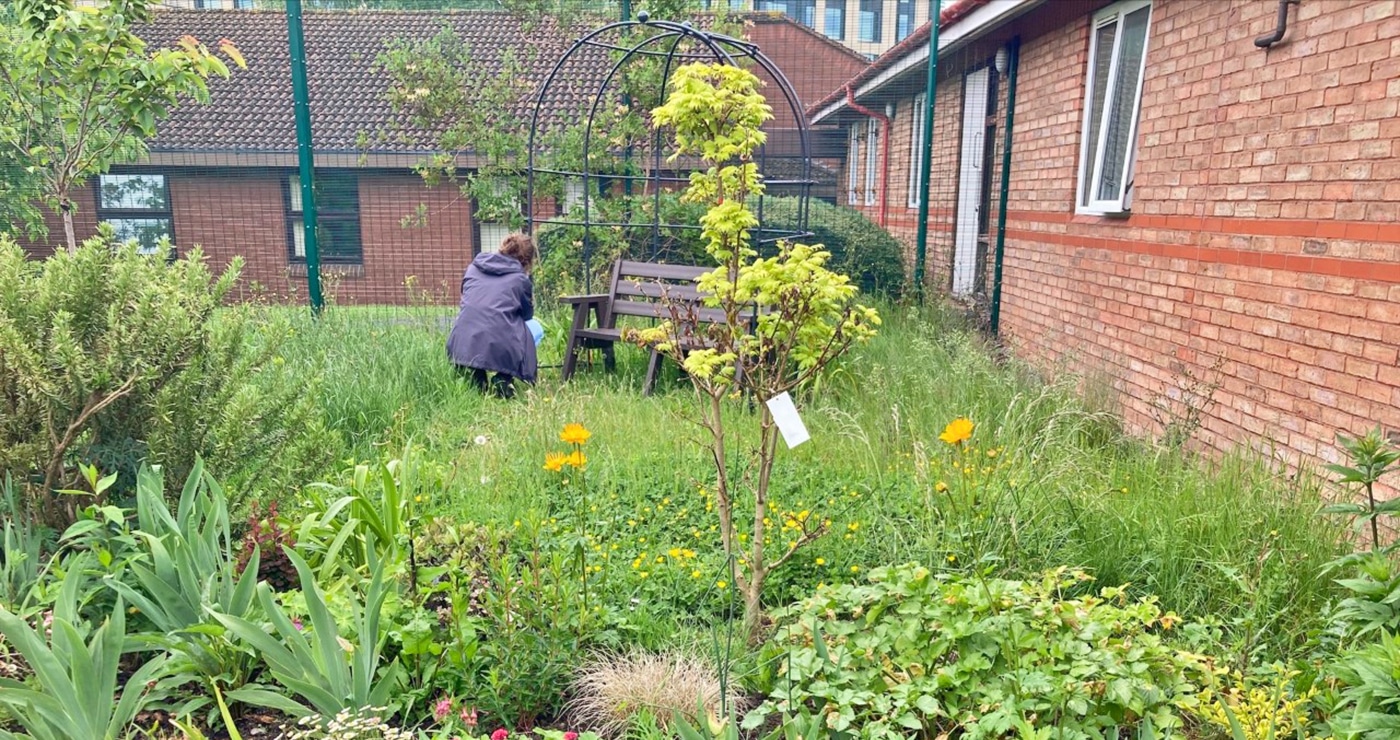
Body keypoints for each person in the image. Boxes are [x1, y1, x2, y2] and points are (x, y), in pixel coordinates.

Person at [446, 233, 538, 398]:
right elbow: (527, 315)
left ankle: (476, 377)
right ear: (526, 260)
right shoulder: (520, 279)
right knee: (531, 328)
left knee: (481, 319)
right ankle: (504, 378)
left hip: (462, 340)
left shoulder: (473, 268)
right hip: (500, 343)